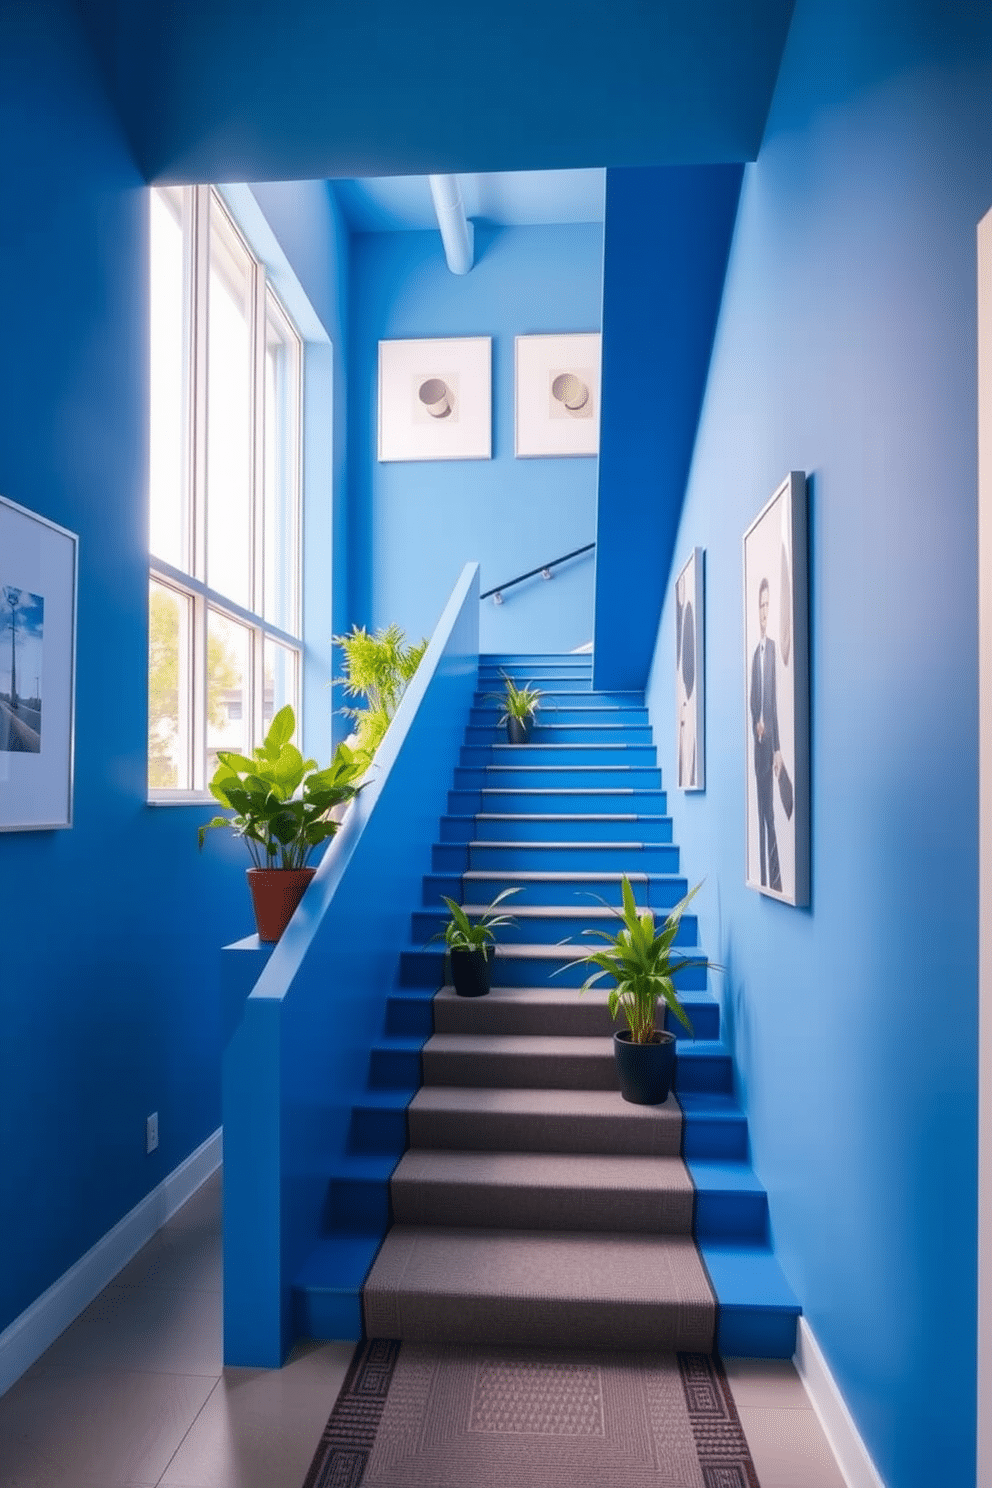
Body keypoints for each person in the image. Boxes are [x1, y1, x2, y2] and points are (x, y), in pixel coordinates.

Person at [749, 577, 782, 891]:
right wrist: (755, 725)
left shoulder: (771, 650)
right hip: (757, 747)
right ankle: (764, 875)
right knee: (761, 813)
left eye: (768, 604)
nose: (764, 610)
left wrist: (777, 748)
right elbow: (754, 701)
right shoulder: (754, 656)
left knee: (771, 815)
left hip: (769, 745)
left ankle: (776, 879)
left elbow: (774, 704)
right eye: (760, 604)